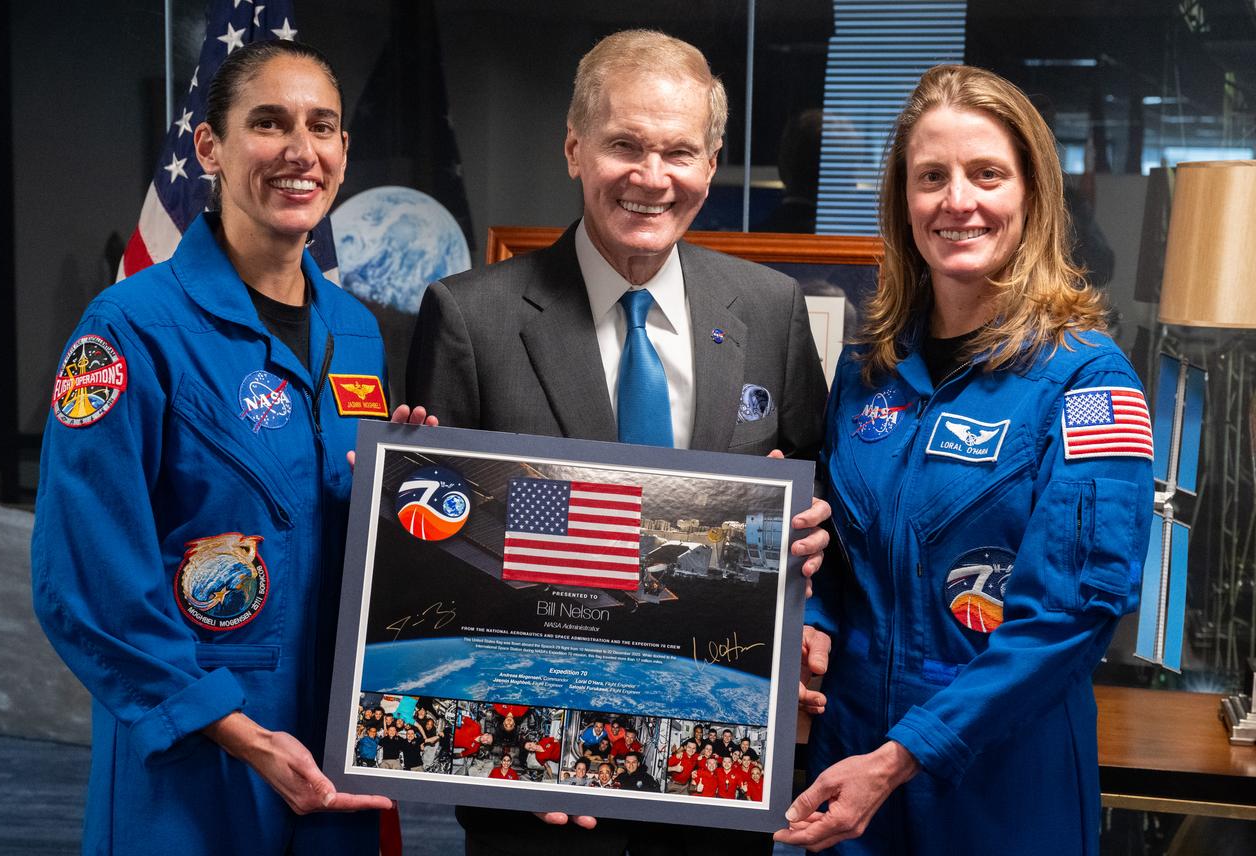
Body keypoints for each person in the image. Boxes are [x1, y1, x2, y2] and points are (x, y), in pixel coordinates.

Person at [404, 28, 830, 856]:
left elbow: (826, 503)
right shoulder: (470, 317)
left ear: (711, 164)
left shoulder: (771, 309)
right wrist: (512, 755)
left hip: (717, 772)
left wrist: (813, 555)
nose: (651, 177)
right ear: (574, 149)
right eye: (624, 145)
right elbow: (438, 560)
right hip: (532, 789)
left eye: (679, 151)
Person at [29, 39, 415, 854]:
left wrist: (416, 490)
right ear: (210, 145)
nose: (300, 152)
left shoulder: (357, 333)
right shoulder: (129, 329)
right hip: (196, 753)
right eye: (269, 124)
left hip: (335, 747)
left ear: (345, 149)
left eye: (322, 127)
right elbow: (87, 577)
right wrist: (238, 733)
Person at [778, 64, 1154, 855]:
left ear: (1033, 195)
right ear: (903, 203)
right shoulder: (866, 372)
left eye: (987, 173)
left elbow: (1072, 615)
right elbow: (844, 565)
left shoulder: (1087, 380)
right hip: (849, 780)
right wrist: (809, 625)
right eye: (931, 177)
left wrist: (907, 754)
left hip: (997, 789)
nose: (958, 201)